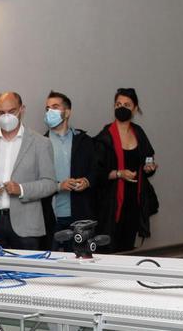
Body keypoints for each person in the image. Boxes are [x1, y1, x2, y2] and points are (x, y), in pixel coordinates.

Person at [0, 92, 57, 250]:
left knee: (26, 273)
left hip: (26, 227)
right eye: (1, 112)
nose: (6, 117)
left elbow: (50, 183)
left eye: (11, 111)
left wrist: (21, 189)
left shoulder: (41, 143)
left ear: (22, 110)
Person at [94, 88, 159, 252]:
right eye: (118, 104)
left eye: (127, 105)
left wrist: (149, 168)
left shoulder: (139, 133)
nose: (121, 107)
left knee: (127, 249)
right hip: (111, 205)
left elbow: (147, 161)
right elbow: (97, 173)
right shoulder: (105, 137)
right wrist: (119, 173)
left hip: (134, 203)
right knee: (109, 250)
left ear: (135, 109)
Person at [40, 91, 100, 249]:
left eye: (55, 107)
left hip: (79, 216)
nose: (49, 112)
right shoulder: (40, 143)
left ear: (67, 112)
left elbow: (96, 170)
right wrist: (59, 185)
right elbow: (36, 179)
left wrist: (87, 181)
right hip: (51, 216)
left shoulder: (84, 141)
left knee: (80, 260)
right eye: (47, 109)